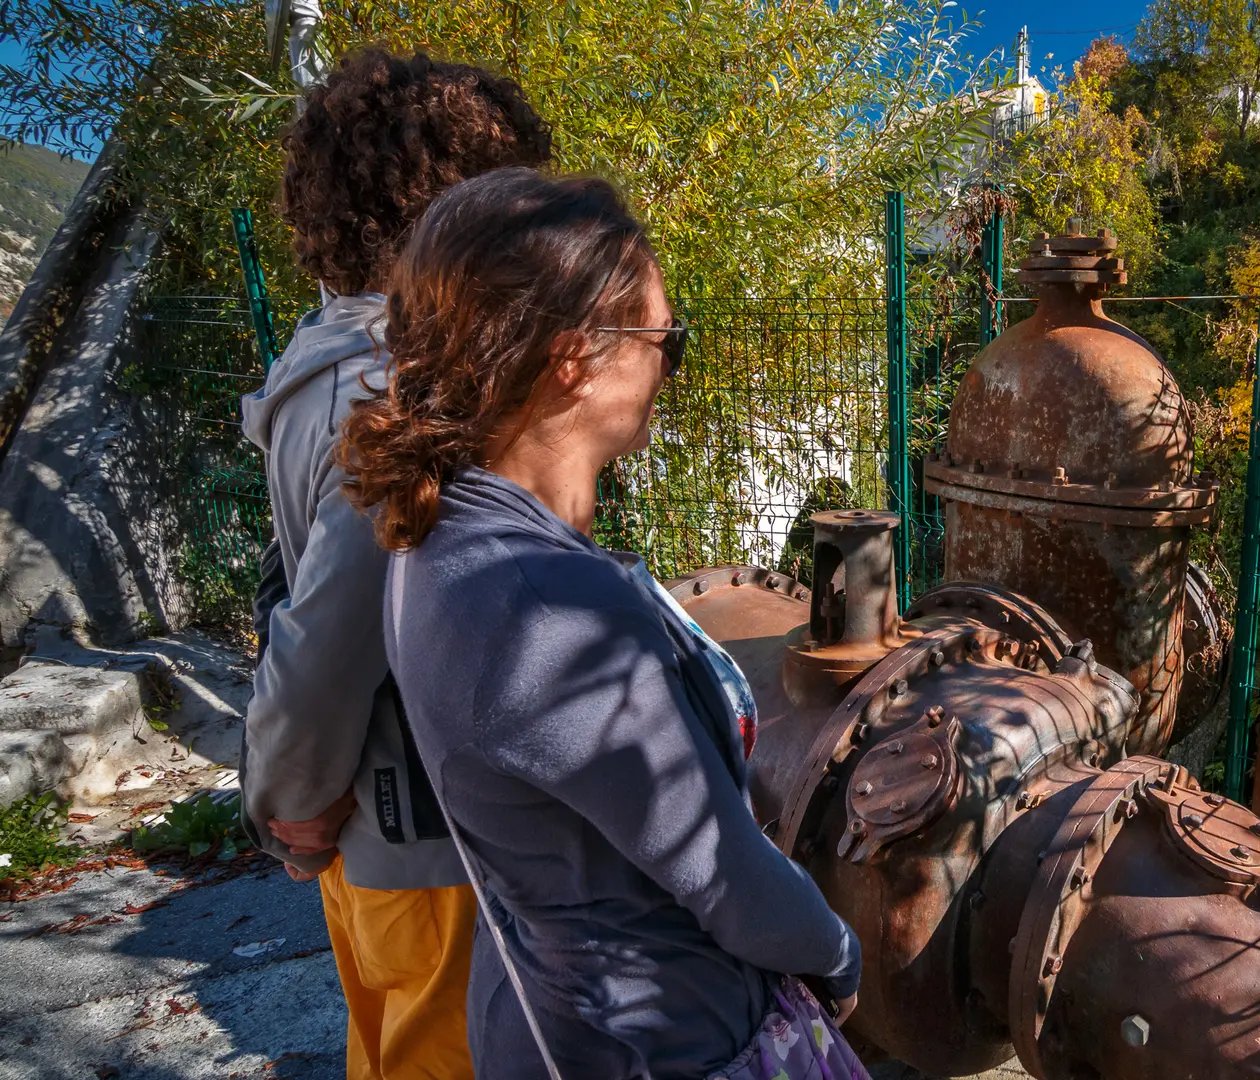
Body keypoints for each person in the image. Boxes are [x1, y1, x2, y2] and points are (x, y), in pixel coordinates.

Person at [337, 168, 867, 1080]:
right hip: (663, 1042)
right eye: (667, 338)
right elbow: (725, 874)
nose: (670, 360)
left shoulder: (443, 534)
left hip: (551, 1011)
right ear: (575, 359)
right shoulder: (548, 605)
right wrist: (835, 952)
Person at [239, 47, 551, 1080]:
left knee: (384, 1043)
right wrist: (287, 793)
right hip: (431, 835)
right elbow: (328, 634)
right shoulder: (397, 391)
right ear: (449, 214)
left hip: (373, 834)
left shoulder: (314, 361)